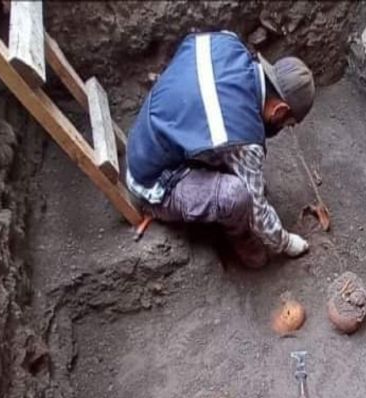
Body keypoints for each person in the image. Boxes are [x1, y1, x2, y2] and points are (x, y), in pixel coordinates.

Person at [126, 31, 315, 268]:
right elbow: (257, 211)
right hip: (153, 180)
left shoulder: (226, 41)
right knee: (237, 197)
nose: (282, 129)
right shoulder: (244, 139)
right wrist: (286, 243)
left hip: (147, 136)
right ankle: (240, 239)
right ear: (279, 110)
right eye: (287, 124)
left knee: (242, 172)